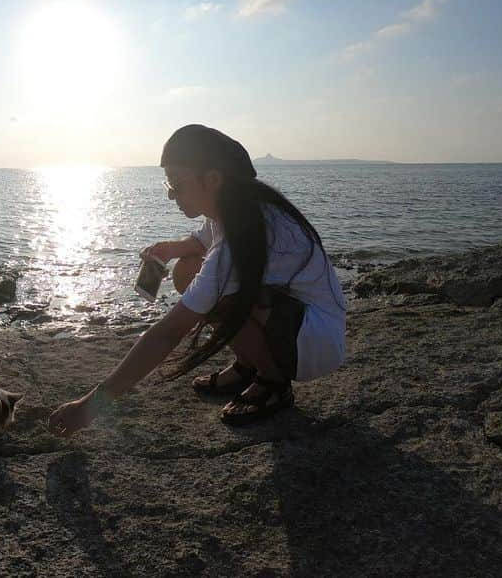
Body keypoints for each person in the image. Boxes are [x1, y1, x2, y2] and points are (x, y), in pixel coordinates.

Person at [48, 124, 346, 437]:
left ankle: (273, 382)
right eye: (168, 182)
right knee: (187, 269)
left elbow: (168, 334)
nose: (170, 194)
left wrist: (91, 405)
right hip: (299, 324)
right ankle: (250, 363)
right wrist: (170, 249)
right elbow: (201, 241)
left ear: (213, 179)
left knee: (222, 293)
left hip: (313, 342)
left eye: (177, 183)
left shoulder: (242, 231)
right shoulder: (237, 206)